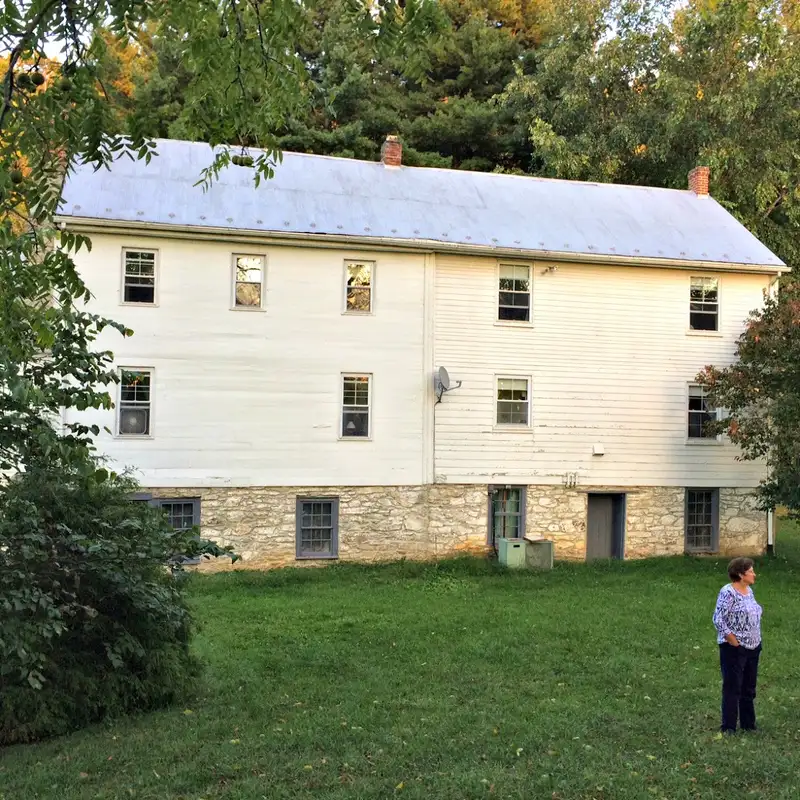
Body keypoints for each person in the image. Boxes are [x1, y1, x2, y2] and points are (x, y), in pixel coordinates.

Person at [712, 557, 763, 734]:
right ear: (741, 574)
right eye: (750, 571)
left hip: (754, 647)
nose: (754, 574)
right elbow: (718, 619)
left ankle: (748, 724)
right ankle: (729, 726)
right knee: (733, 687)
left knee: (749, 687)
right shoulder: (728, 592)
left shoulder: (749, 591)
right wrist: (733, 641)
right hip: (734, 648)